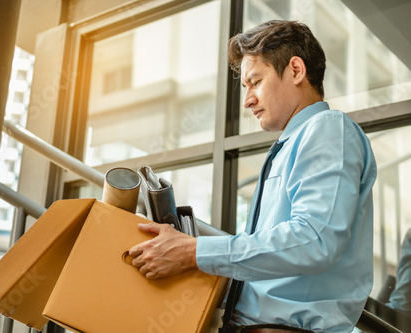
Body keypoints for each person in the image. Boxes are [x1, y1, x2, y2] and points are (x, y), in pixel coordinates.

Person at [129, 20, 377, 333]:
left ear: (296, 70)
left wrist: (193, 252)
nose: (247, 100)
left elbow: (315, 240)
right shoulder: (292, 144)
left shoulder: (326, 129)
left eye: (255, 82)